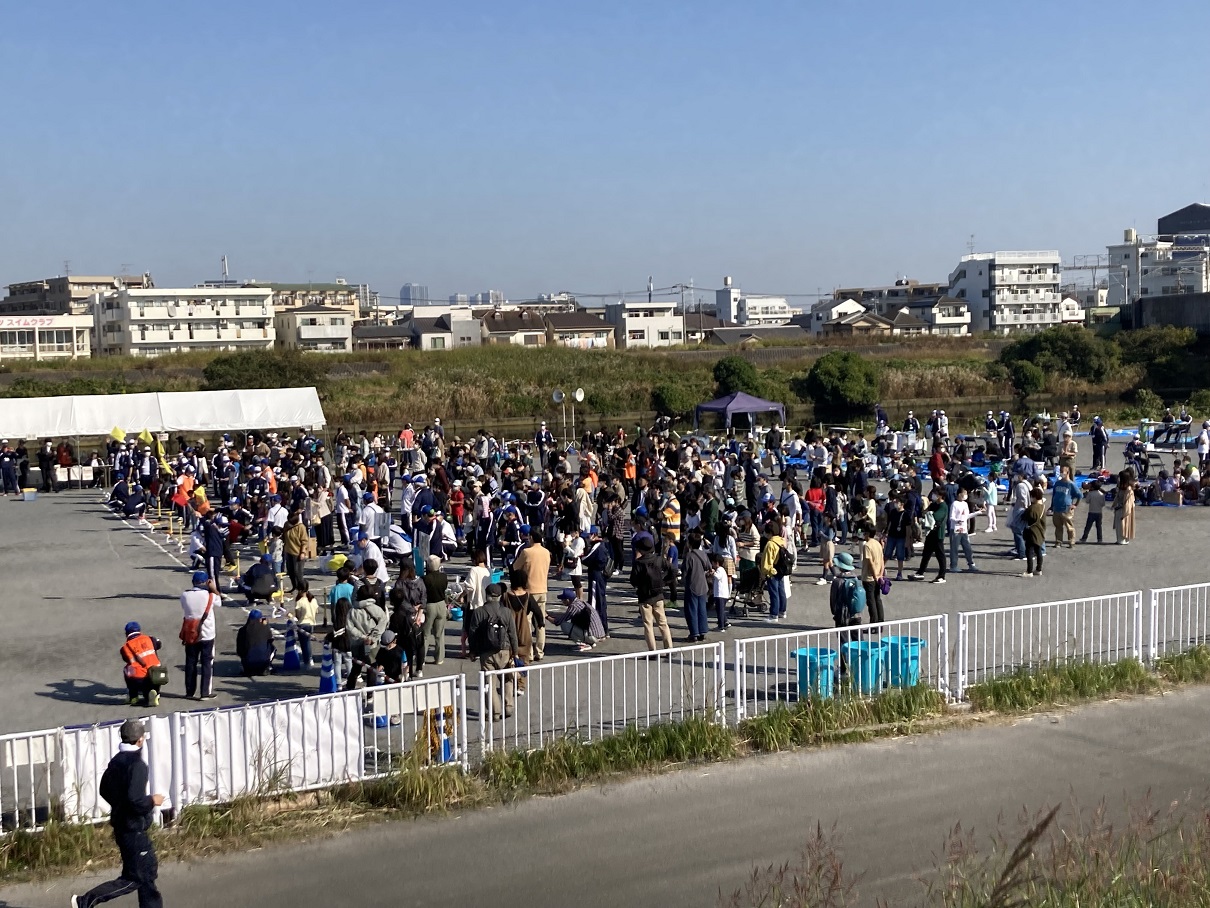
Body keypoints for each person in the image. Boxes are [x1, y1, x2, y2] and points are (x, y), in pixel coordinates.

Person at [71, 719, 165, 908]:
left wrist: (119, 804)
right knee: (134, 879)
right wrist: (152, 800)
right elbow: (136, 800)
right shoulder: (137, 765)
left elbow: (104, 789)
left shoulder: (117, 760)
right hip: (134, 829)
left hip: (123, 826)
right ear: (140, 740)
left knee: (146, 876)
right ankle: (85, 902)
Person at [466, 583, 519, 720]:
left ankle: (495, 712)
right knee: (507, 678)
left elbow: (472, 633)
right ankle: (509, 706)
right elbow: (513, 633)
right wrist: (515, 651)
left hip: (486, 652)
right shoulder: (506, 612)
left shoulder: (479, 612)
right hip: (505, 650)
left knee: (490, 682)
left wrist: (473, 651)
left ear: (486, 595)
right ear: (500, 596)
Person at [630, 536, 674, 651]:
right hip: (658, 594)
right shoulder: (659, 559)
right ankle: (669, 648)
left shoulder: (638, 563)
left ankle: (652, 651)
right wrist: (664, 581)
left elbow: (633, 580)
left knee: (648, 624)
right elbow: (672, 570)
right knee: (663, 623)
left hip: (644, 597)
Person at [180, 571, 218, 700]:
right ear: (206, 582)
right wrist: (214, 589)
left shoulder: (185, 595)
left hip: (190, 632)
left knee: (191, 661)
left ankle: (190, 691)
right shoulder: (210, 596)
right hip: (207, 633)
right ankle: (205, 692)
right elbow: (219, 601)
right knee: (207, 662)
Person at [120, 622, 164, 708]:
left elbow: (126, 660)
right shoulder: (150, 639)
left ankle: (134, 697)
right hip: (156, 674)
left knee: (127, 669)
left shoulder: (125, 647)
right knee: (152, 685)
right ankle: (155, 693)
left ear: (126, 633)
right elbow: (159, 644)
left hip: (140, 678)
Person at [546, 586, 604, 651]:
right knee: (574, 622)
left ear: (568, 600)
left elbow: (557, 622)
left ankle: (584, 644)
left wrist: (546, 616)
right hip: (597, 634)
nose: (562, 601)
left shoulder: (574, 607)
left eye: (563, 600)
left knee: (564, 625)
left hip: (592, 636)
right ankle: (590, 642)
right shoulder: (580, 602)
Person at [680, 529, 712, 643]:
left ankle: (694, 633)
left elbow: (685, 571)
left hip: (692, 585)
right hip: (703, 585)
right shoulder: (703, 553)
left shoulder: (689, 556)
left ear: (689, 543)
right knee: (702, 609)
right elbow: (709, 566)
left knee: (691, 609)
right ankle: (702, 632)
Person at [912, 491, 948, 584]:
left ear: (941, 496)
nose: (933, 496)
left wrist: (929, 513)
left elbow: (936, 516)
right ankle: (920, 572)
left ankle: (942, 575)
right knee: (926, 554)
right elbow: (924, 512)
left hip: (938, 534)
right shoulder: (934, 504)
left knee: (940, 555)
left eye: (936, 494)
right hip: (930, 533)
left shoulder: (943, 506)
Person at [758, 519, 790, 623]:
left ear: (770, 532)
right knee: (781, 591)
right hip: (781, 568)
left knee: (773, 592)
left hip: (772, 570)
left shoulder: (770, 544)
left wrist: (765, 572)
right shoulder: (781, 540)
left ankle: (773, 614)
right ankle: (782, 611)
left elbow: (767, 561)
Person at [421, 554, 449, 666]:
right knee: (439, 634)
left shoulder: (425, 579)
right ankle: (439, 658)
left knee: (425, 634)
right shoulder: (444, 577)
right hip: (442, 604)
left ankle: (421, 658)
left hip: (430, 605)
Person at [236, 609, 276, 676]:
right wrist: (266, 625)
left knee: (243, 648)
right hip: (263, 662)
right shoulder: (265, 628)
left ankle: (247, 669)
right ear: (260, 619)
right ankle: (267, 666)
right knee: (272, 648)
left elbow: (239, 650)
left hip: (248, 662)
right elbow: (270, 639)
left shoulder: (243, 630)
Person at [1050, 466, 1082, 548]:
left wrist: (1075, 505)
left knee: (1069, 527)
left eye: (1062, 471)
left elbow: (1079, 495)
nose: (1061, 473)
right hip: (1057, 508)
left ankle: (1071, 541)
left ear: (1067, 473)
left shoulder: (1071, 484)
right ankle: (1058, 541)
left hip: (1066, 509)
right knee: (1058, 526)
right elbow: (1054, 495)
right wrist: (1052, 506)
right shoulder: (1057, 483)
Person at [947, 489, 976, 573]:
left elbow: (966, 516)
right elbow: (951, 517)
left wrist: (978, 512)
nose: (966, 495)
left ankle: (971, 564)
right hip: (955, 529)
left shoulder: (965, 504)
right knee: (954, 548)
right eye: (964, 493)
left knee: (967, 547)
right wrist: (957, 520)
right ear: (959, 494)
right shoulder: (954, 504)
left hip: (964, 529)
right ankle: (953, 565)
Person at [861, 530, 886, 626]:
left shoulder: (867, 546)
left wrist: (875, 575)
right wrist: (880, 573)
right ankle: (880, 621)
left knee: (870, 600)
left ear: (867, 533)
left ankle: (873, 624)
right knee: (877, 598)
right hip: (879, 575)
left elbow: (870, 562)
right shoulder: (877, 544)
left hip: (869, 577)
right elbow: (882, 559)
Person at [1022, 487, 1047, 578]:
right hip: (1040, 531)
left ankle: (1029, 571)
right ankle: (1038, 569)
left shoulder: (1032, 508)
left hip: (1031, 532)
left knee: (1029, 551)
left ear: (1034, 497)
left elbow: (1024, 517)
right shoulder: (1043, 507)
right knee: (1038, 550)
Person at [292, 579, 319, 668]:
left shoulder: (300, 601)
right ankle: (309, 659)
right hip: (312, 623)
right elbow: (317, 611)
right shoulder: (312, 599)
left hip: (303, 624)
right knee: (307, 642)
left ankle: (307, 661)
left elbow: (298, 616)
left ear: (299, 589)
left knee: (304, 644)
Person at [708, 551, 731, 633]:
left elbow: (717, 577)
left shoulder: (720, 570)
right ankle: (725, 622)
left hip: (720, 594)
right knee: (720, 609)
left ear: (716, 563)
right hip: (721, 594)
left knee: (720, 610)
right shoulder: (722, 570)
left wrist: (713, 573)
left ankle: (721, 626)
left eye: (713, 563)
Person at [1113, 472, 1136, 545]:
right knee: (1118, 525)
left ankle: (1122, 540)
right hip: (1119, 508)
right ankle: (1120, 539)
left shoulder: (1128, 489)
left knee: (1122, 525)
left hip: (1123, 510)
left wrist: (1122, 509)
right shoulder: (1122, 487)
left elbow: (1127, 502)